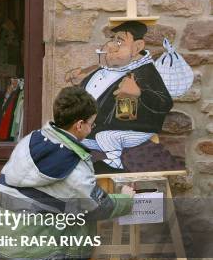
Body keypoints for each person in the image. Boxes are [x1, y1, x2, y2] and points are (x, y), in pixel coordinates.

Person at [0, 87, 135, 260]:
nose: (92, 129)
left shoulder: (34, 139)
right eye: (91, 124)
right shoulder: (72, 165)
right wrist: (126, 198)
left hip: (18, 230)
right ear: (80, 124)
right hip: (42, 231)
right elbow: (98, 207)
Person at [66, 21, 173, 171]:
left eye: (119, 41)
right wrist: (81, 83)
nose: (111, 46)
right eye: (112, 39)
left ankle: (114, 162)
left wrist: (140, 93)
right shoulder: (108, 69)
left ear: (137, 47)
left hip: (130, 130)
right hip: (94, 131)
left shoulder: (145, 72)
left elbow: (165, 102)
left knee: (106, 137)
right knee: (74, 139)